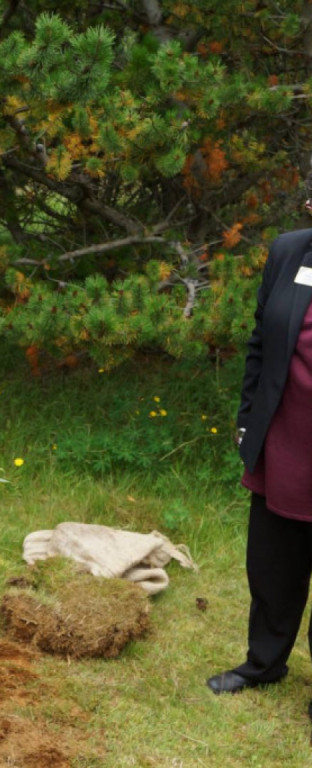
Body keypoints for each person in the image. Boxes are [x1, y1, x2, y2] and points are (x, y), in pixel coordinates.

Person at [206, 226, 312, 714]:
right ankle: (264, 662)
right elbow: (260, 344)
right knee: (272, 563)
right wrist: (249, 420)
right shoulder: (291, 251)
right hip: (285, 435)